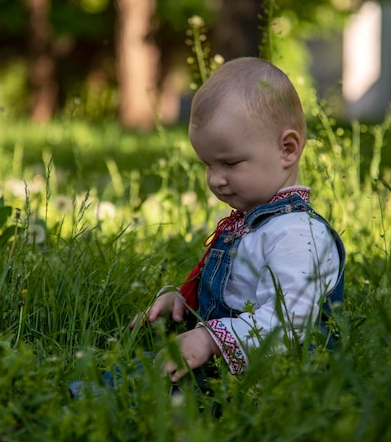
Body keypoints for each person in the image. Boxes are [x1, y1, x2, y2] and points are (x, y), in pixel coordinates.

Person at [138, 56, 345, 385]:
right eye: (207, 165)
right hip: (228, 366)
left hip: (274, 383)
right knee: (144, 376)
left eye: (230, 163)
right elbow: (234, 291)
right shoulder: (254, 222)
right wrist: (183, 300)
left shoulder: (298, 235)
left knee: (154, 392)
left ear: (288, 149)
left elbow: (290, 322)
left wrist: (210, 339)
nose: (215, 180)